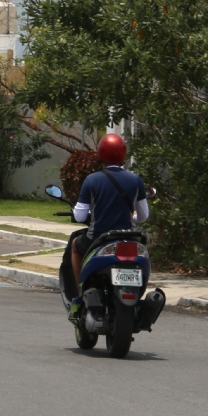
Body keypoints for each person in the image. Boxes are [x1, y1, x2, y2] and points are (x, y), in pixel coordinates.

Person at [65, 133, 148, 314]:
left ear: (100, 154)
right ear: (123, 155)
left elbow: (79, 216)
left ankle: (80, 293)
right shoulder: (136, 180)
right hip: (129, 239)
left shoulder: (92, 180)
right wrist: (132, 216)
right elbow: (143, 216)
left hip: (98, 239)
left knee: (74, 246)